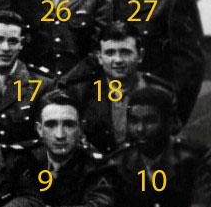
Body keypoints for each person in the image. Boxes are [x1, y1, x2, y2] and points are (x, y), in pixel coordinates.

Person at [61, 21, 176, 153]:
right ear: (100, 58)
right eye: (110, 53)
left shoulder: (161, 93)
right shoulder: (82, 92)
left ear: (140, 56)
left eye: (125, 52)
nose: (118, 60)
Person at [0, 11, 54, 146]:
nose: (5, 48)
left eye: (12, 41)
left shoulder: (42, 85)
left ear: (21, 44)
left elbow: (47, 137)